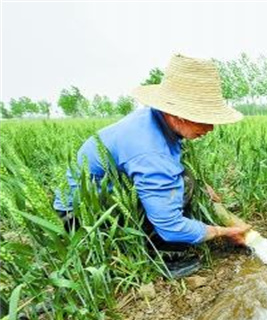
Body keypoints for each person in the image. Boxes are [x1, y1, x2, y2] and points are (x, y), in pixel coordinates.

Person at [53, 54, 251, 278]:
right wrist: (223, 232)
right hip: (85, 216)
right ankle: (165, 259)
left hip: (107, 196)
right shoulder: (149, 151)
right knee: (180, 189)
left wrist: (203, 187)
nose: (211, 128)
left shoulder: (155, 120)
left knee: (184, 181)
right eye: (204, 118)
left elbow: (172, 165)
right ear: (178, 115)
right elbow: (170, 224)